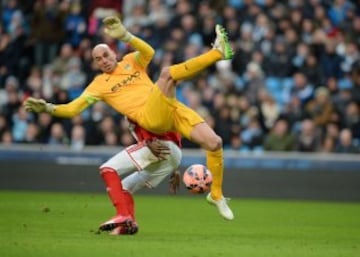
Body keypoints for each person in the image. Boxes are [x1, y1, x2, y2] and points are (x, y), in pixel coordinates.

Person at [24, 16, 235, 232]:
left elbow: (149, 52)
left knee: (214, 142)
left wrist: (126, 36)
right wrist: (49, 108)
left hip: (169, 109)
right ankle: (218, 52)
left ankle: (216, 194)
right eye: (98, 59)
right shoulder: (98, 85)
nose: (104, 60)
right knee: (167, 74)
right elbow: (72, 109)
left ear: (113, 52)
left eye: (106, 54)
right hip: (148, 116)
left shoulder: (131, 61)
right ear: (95, 63)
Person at [104, 120, 182, 235]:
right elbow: (173, 127)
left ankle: (123, 216)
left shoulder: (130, 104)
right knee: (125, 186)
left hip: (155, 143)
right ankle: (129, 225)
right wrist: (174, 166)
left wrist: (148, 140)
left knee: (108, 168)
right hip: (174, 151)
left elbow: (142, 115)